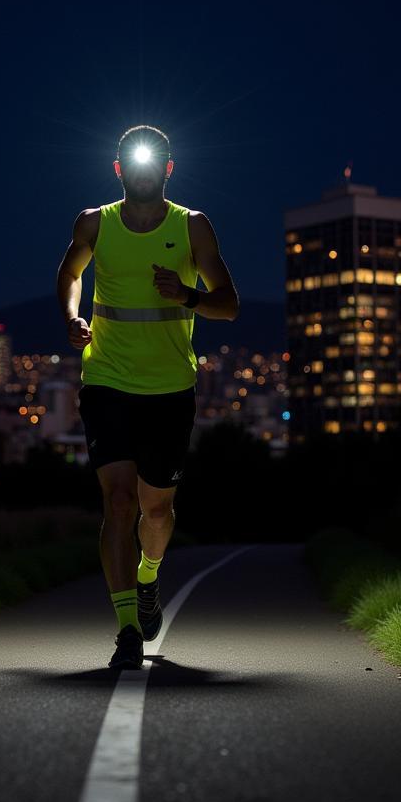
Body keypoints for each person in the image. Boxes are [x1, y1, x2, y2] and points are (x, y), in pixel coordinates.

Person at [55, 125, 240, 670]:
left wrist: (185, 294)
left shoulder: (193, 227)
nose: (142, 169)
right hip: (107, 380)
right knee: (118, 502)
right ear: (118, 169)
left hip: (169, 389)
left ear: (168, 168)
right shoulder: (95, 222)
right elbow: (70, 272)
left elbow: (228, 304)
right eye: (132, 161)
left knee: (157, 509)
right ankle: (128, 630)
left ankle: (148, 576)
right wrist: (72, 317)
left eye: (153, 161)